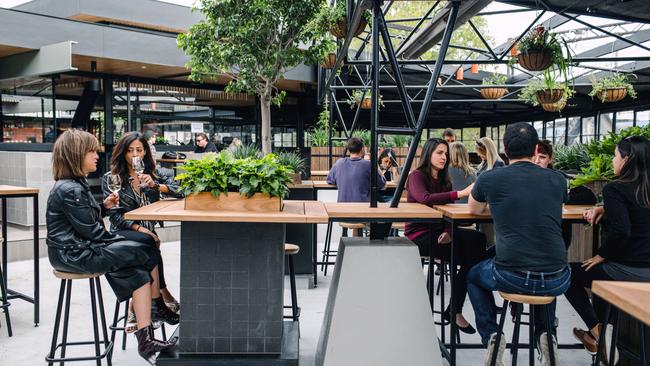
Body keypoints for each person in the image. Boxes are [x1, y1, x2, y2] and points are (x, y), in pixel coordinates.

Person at [46, 129, 176, 364]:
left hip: (77, 250)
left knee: (138, 263)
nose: (97, 156)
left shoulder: (73, 184)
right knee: (142, 247)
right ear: (76, 155)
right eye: (91, 151)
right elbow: (96, 233)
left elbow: (87, 223)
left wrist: (104, 207)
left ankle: (145, 338)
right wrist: (125, 244)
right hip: (75, 254)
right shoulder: (71, 189)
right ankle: (157, 306)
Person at [467, 123, 571, 366]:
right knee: (545, 274)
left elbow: (474, 209)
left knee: (472, 276)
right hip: (559, 278)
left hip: (510, 275)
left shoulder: (490, 178)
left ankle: (492, 335)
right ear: (536, 149)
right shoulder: (558, 179)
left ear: (504, 149)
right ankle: (546, 336)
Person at [565, 136, 650, 361]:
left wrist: (601, 255)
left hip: (631, 270)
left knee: (568, 274)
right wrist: (605, 207)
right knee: (598, 276)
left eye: (615, 156)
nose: (613, 161)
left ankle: (598, 330)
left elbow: (622, 232)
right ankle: (599, 335)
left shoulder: (616, 189)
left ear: (627, 159)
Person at [102, 132, 182, 333]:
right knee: (150, 242)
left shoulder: (153, 174)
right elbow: (115, 217)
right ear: (122, 153)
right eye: (130, 150)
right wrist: (140, 228)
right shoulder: (111, 178)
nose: (135, 154)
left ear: (145, 152)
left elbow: (184, 190)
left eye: (139, 150)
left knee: (149, 243)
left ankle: (136, 308)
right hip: (123, 233)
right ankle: (159, 301)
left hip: (147, 234)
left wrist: (157, 186)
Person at [406, 137, 487, 334]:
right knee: (473, 255)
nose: (444, 157)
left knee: (477, 241)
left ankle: (454, 309)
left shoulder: (444, 180)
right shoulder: (416, 176)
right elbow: (425, 199)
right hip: (419, 236)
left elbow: (446, 211)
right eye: (439, 153)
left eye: (445, 154)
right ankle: (456, 310)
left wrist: (449, 231)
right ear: (429, 154)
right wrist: (460, 194)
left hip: (440, 233)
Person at [326, 137, 386, 203]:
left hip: (342, 208)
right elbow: (382, 184)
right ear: (362, 149)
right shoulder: (368, 164)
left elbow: (330, 180)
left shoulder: (339, 163)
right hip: (363, 209)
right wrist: (375, 163)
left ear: (349, 150)